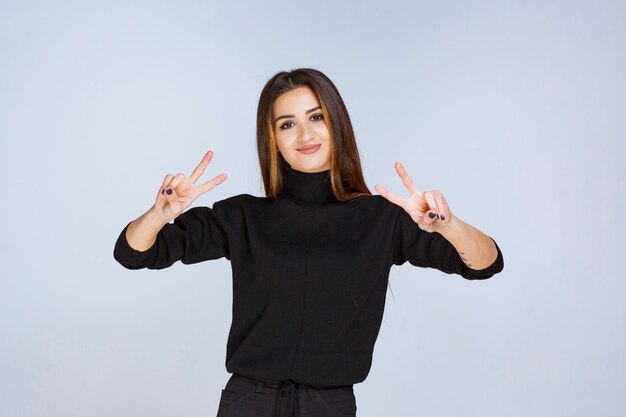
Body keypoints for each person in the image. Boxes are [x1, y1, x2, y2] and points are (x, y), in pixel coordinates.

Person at [113, 68, 504, 417]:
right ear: (274, 141)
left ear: (337, 123)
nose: (305, 134)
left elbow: (484, 263)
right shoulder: (243, 217)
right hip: (247, 402)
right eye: (287, 124)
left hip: (329, 405)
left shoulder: (382, 219)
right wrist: (160, 214)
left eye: (316, 117)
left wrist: (447, 224)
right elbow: (133, 252)